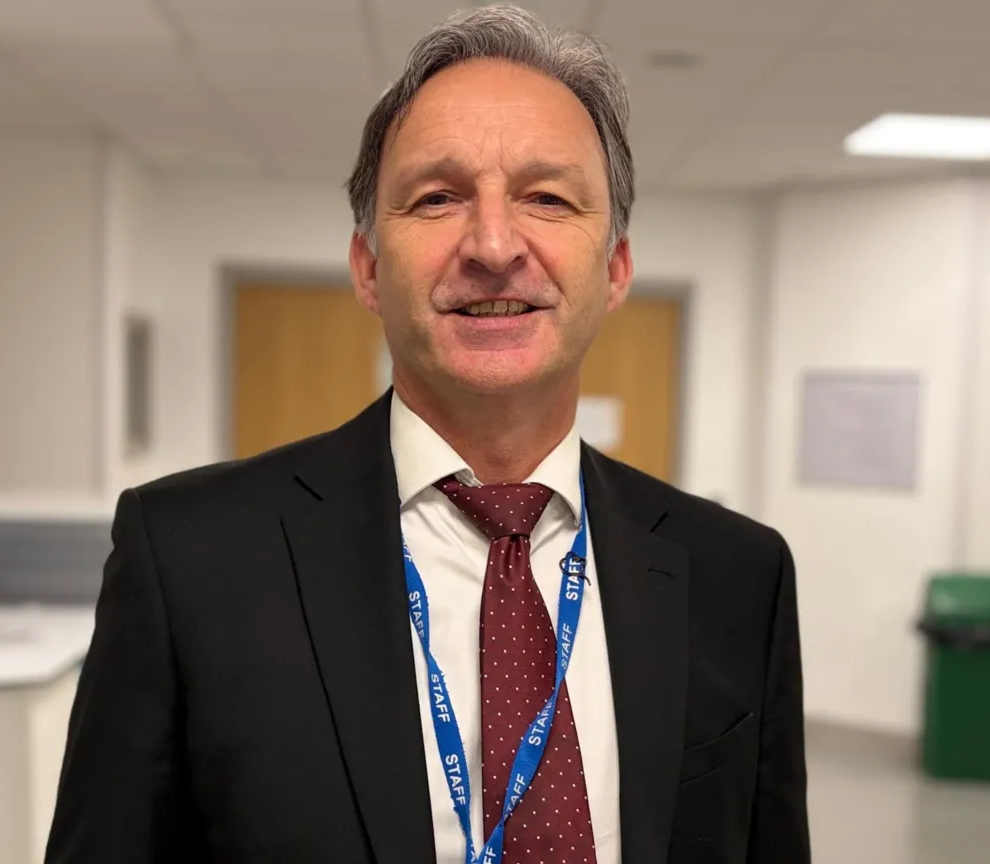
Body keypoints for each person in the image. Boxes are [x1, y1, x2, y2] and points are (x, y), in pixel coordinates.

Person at [44, 5, 809, 863]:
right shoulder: (188, 560)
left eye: (548, 198)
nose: (493, 245)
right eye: (438, 198)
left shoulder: (738, 577)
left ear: (616, 268)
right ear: (369, 267)